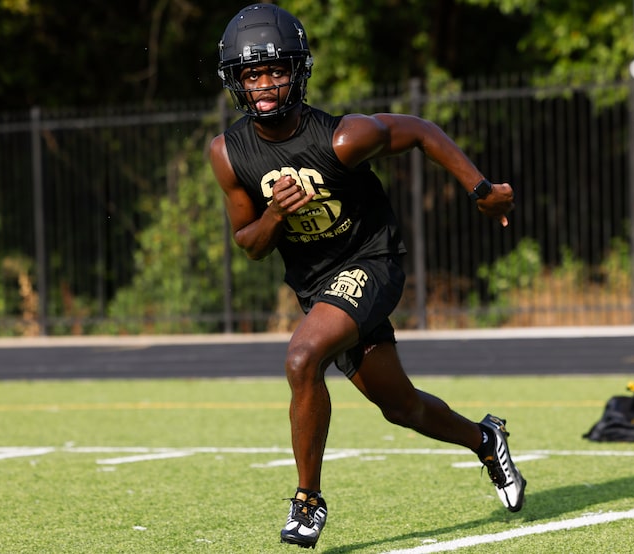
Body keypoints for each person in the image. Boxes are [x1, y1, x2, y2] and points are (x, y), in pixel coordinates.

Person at [209, 3, 525, 549]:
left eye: (275, 70)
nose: (262, 84)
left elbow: (422, 130)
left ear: (298, 73)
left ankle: (307, 502)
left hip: (371, 263)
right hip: (317, 285)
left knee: (302, 357)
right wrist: (277, 215)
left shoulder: (342, 139)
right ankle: (484, 438)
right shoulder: (228, 153)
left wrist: (480, 189)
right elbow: (251, 246)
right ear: (235, 80)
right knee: (399, 406)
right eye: (250, 73)